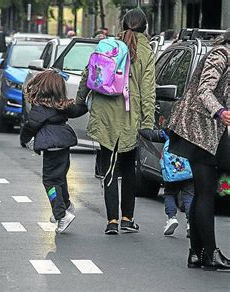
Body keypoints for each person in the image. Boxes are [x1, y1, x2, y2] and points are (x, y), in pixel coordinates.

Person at [74, 8, 156, 234]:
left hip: (105, 112)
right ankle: (127, 218)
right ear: (145, 28)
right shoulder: (146, 52)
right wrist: (148, 123)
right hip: (131, 115)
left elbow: (87, 74)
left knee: (109, 165)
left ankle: (112, 221)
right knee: (129, 167)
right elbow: (148, 90)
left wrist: (80, 102)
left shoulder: (108, 46)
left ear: (122, 25)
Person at [167, 29, 230, 270]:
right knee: (206, 192)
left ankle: (196, 252)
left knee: (204, 190)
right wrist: (220, 111)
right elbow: (205, 90)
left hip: (205, 129)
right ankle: (210, 254)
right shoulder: (220, 54)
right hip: (197, 128)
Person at [20, 70, 84, 234]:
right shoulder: (63, 105)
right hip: (64, 145)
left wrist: (25, 139)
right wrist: (87, 99)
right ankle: (66, 206)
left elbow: (30, 126)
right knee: (60, 177)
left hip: (51, 147)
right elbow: (77, 110)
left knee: (50, 181)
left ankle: (61, 214)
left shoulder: (39, 108)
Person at [138, 129, 194, 237]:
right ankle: (190, 223)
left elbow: (153, 135)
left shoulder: (169, 131)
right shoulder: (191, 129)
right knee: (189, 196)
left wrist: (140, 129)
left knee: (169, 194)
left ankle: (171, 218)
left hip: (172, 173)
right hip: (187, 171)